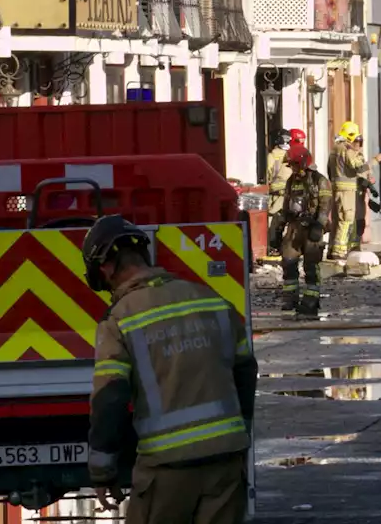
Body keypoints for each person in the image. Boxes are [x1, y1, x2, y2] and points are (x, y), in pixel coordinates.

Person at [85, 214, 258, 524]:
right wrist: (241, 428)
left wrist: (102, 470)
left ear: (107, 268)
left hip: (167, 470)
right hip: (226, 463)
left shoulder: (120, 320)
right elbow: (245, 369)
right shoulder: (211, 300)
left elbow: (110, 397)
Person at [279, 144, 332, 319]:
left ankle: (311, 300)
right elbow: (286, 203)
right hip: (294, 228)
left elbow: (325, 206)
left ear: (302, 163)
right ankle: (290, 298)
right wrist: (279, 225)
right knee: (288, 261)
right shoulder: (291, 181)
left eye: (294, 164)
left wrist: (319, 226)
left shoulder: (320, 181)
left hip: (311, 229)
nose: (292, 168)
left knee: (311, 266)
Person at [327, 121, 381, 262]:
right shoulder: (346, 149)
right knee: (346, 220)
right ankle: (339, 251)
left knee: (339, 220)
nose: (358, 143)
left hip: (339, 190)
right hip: (347, 191)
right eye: (357, 140)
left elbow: (330, 171)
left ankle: (335, 248)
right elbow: (357, 167)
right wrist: (374, 161)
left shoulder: (335, 149)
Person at [265, 128, 306, 254]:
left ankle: (274, 246)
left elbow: (268, 174)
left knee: (276, 220)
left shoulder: (272, 155)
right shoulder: (295, 153)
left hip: (279, 193)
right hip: (293, 192)